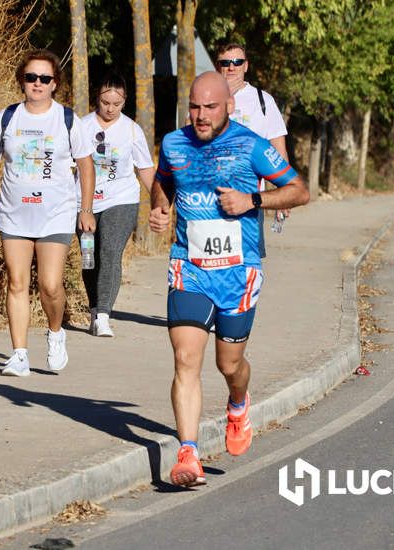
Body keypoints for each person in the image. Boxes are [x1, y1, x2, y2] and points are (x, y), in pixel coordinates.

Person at [149, 72, 309, 487]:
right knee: (185, 359)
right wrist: (160, 208)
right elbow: (163, 181)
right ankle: (187, 452)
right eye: (195, 107)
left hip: (239, 271)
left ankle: (238, 404)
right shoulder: (174, 143)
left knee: (229, 364)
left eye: (210, 107)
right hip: (190, 265)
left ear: (229, 107)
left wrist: (253, 200)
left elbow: (299, 190)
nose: (201, 116)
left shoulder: (251, 146)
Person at [0, 49, 95, 377]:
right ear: (22, 81)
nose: (37, 83)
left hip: (56, 214)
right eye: (31, 77)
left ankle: (56, 331)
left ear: (55, 83)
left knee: (50, 285)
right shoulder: (7, 117)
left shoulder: (67, 119)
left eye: (44, 78)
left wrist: (85, 209)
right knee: (17, 282)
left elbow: (86, 165)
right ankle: (18, 354)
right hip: (15, 213)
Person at [76, 72, 155, 337]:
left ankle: (104, 314)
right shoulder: (81, 126)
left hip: (121, 200)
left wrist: (160, 200)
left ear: (125, 102)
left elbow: (145, 169)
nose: (110, 109)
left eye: (116, 104)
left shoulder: (132, 130)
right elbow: (68, 167)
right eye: (105, 102)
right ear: (97, 98)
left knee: (110, 250)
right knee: (89, 258)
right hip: (84, 203)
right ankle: (94, 308)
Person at [215, 43, 290, 256]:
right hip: (208, 197)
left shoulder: (263, 101)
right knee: (211, 262)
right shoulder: (207, 98)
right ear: (217, 66)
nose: (232, 67)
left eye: (237, 62)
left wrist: (284, 193)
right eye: (225, 63)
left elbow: (278, 152)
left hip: (249, 197)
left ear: (245, 66)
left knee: (247, 263)